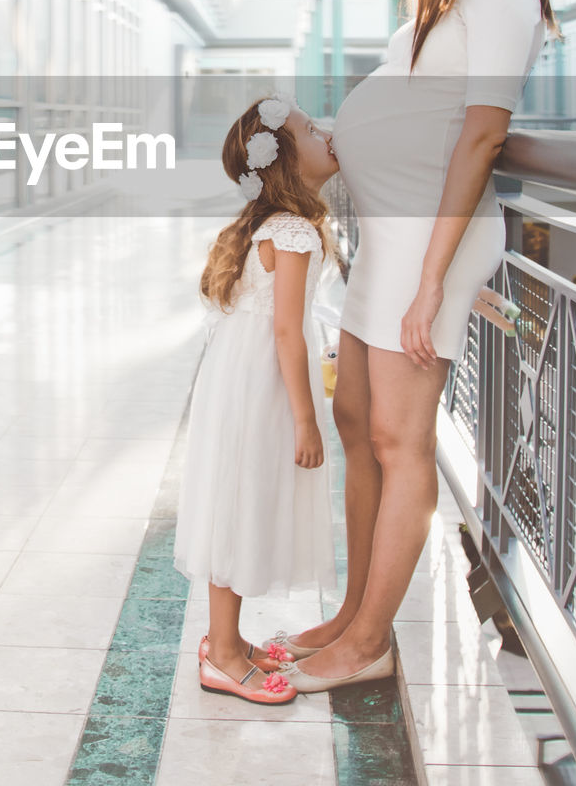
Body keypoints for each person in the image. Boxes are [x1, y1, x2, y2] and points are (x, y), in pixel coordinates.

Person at [270, 0, 560, 693]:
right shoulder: (446, 0)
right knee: (359, 423)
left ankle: (368, 643)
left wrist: (432, 281)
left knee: (400, 440)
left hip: (428, 243)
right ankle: (352, 613)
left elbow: (481, 134)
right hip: (387, 241)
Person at [172, 93, 341, 704]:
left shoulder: (270, 223)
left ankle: (228, 639)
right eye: (312, 129)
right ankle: (220, 653)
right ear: (286, 160)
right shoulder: (292, 228)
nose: (327, 133)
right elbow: (288, 331)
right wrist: (306, 420)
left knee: (235, 495)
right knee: (241, 500)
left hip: (239, 374)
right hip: (263, 381)